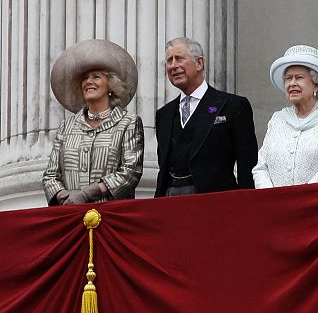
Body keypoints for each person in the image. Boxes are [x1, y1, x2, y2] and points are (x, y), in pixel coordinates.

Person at [42, 39, 144, 205]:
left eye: (96, 77)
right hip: (70, 214)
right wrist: (66, 198)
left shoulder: (128, 122)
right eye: (85, 78)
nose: (88, 81)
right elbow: (50, 176)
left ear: (110, 85)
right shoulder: (67, 126)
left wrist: (87, 194)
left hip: (112, 216)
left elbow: (130, 172)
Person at [155, 37, 258, 197]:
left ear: (199, 63)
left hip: (215, 202)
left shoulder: (233, 106)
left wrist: (245, 204)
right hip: (170, 201)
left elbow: (247, 164)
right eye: (169, 61)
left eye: (179, 58)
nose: (173, 66)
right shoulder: (164, 114)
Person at [252, 45, 318, 188]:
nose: (292, 83)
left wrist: (301, 197)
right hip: (276, 206)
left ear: (316, 85)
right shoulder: (277, 119)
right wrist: (272, 197)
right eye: (288, 78)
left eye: (299, 78)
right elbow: (261, 167)